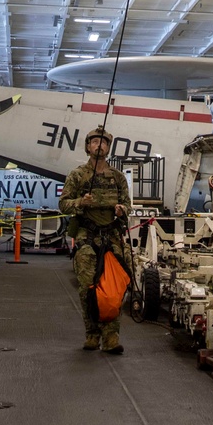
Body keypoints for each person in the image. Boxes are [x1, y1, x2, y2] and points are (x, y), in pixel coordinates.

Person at [59, 128, 132, 353]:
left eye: (103, 142)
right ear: (88, 146)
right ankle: (92, 334)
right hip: (86, 237)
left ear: (108, 148)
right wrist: (81, 202)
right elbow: (63, 204)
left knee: (114, 287)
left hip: (111, 236)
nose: (99, 145)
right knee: (87, 288)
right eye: (95, 141)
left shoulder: (117, 177)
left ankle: (111, 337)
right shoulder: (78, 175)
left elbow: (128, 205)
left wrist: (122, 210)